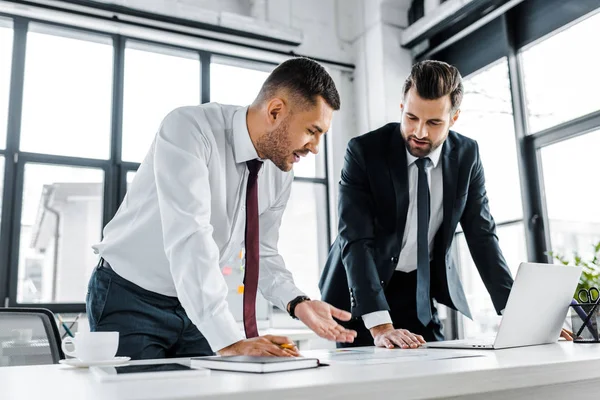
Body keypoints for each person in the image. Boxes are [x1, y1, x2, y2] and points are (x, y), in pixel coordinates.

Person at [87, 57, 357, 360]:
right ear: (275, 111)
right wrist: (229, 339)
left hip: (196, 308)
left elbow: (262, 251)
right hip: (131, 297)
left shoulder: (280, 171)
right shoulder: (189, 130)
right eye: (312, 130)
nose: (315, 147)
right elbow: (190, 235)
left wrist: (297, 301)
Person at [319, 60, 516, 349]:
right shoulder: (365, 151)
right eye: (411, 117)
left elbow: (482, 235)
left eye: (434, 122)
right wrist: (381, 325)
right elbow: (355, 238)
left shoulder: (467, 155)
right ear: (402, 107)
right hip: (362, 290)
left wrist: (515, 314)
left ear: (454, 117)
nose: (420, 132)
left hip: (420, 291)